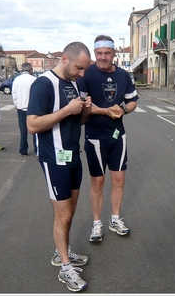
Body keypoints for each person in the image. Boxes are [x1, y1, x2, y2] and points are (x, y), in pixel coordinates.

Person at [26, 41, 92, 292]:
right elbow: (32, 125)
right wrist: (67, 110)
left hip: (72, 155)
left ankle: (61, 251)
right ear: (64, 58)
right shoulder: (43, 84)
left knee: (71, 208)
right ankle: (65, 268)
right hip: (54, 158)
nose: (82, 73)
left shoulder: (74, 83)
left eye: (84, 69)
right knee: (62, 212)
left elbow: (80, 120)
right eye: (79, 67)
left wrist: (84, 111)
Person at [76, 35, 138, 243]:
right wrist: (105, 111)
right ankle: (96, 224)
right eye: (99, 53)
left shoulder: (123, 75)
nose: (103, 57)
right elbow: (82, 105)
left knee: (119, 180)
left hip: (118, 136)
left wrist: (122, 110)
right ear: (95, 54)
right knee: (98, 182)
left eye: (107, 53)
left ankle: (115, 219)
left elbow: (132, 102)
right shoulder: (86, 75)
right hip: (95, 137)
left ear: (114, 53)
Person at [11, 62, 37, 156]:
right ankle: (37, 150)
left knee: (23, 131)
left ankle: (23, 150)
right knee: (35, 130)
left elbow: (14, 94)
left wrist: (17, 104)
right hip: (33, 108)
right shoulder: (34, 79)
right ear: (31, 70)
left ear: (22, 70)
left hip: (21, 107)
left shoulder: (17, 80)